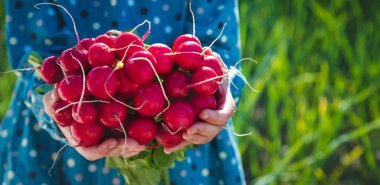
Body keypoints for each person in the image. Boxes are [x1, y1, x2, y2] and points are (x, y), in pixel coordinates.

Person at [0, 0, 246, 184]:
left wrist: (220, 93)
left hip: (188, 128)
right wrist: (55, 106)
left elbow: (220, 52)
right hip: (56, 143)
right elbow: (41, 59)